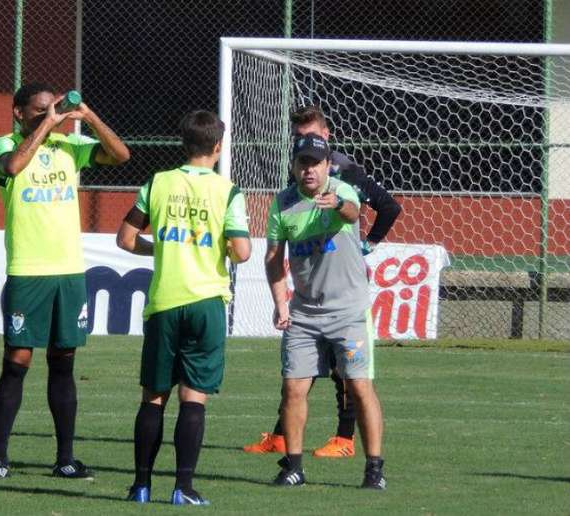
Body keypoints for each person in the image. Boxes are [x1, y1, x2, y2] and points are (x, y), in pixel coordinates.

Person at [0, 83, 130, 480]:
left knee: (63, 363)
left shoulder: (71, 147)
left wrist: (90, 118)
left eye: (54, 108)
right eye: (40, 109)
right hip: (28, 270)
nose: (52, 113)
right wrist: (47, 125)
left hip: (68, 271)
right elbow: (12, 167)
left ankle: (65, 458)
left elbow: (121, 155)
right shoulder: (4, 144)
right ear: (19, 113)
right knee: (17, 363)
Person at [243, 105, 401, 458]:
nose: (304, 147)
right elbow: (275, 252)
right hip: (308, 297)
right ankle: (286, 442)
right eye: (297, 140)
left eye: (309, 136)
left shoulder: (344, 175)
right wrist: (281, 300)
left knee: (349, 377)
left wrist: (366, 244)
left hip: (345, 292)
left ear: (326, 140)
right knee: (298, 379)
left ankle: (345, 439)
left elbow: (380, 207)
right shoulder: (292, 188)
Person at [117, 110, 251, 505]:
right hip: (205, 301)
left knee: (153, 397)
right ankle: (183, 488)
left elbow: (125, 239)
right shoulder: (227, 191)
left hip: (165, 301)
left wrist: (161, 247)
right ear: (216, 147)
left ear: (183, 143)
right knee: (193, 399)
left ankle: (140, 485)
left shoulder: (157, 183)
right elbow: (241, 252)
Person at [265, 133, 385, 489]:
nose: (309, 170)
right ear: (295, 166)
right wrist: (280, 302)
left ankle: (374, 469)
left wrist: (335, 205)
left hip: (348, 311)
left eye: (315, 163)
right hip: (303, 314)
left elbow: (354, 211)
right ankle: (294, 467)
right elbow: (273, 258)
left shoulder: (341, 191)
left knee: (359, 387)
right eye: (303, 163)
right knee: (293, 388)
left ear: (326, 165)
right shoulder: (283, 203)